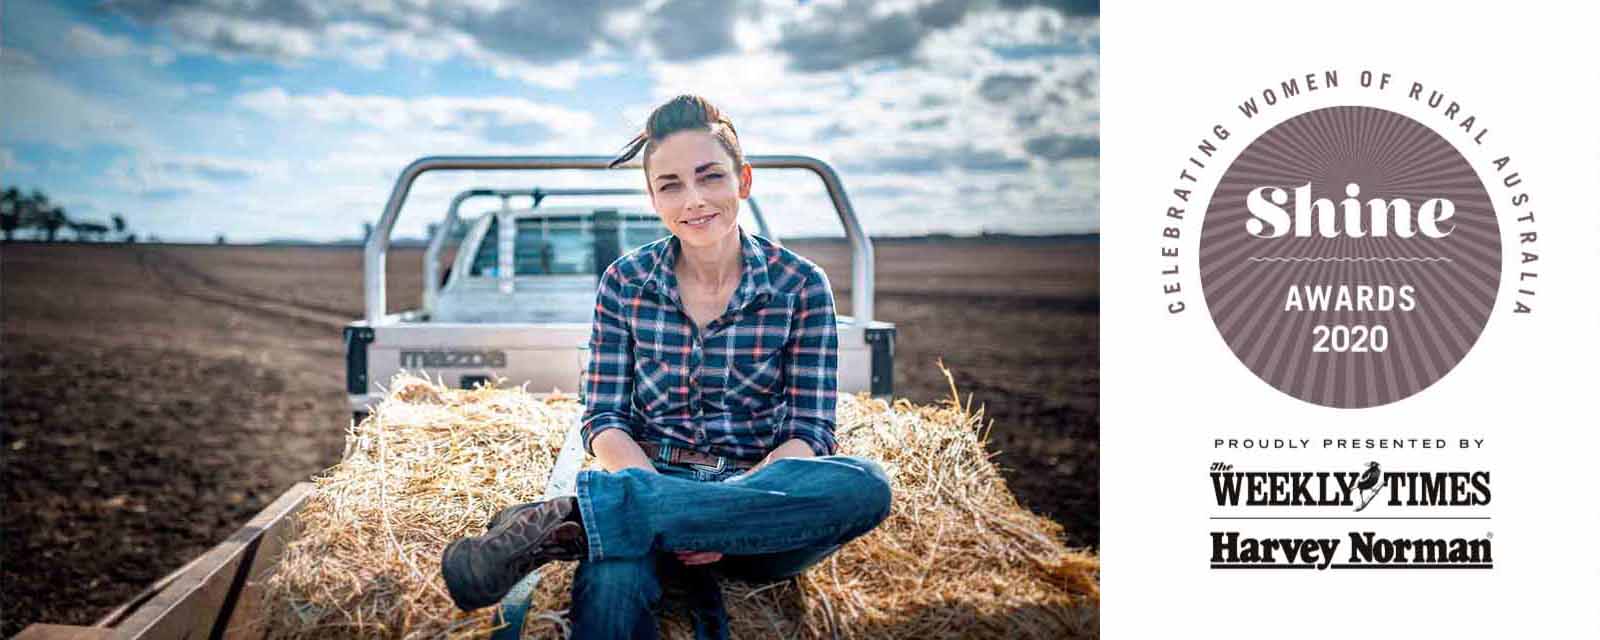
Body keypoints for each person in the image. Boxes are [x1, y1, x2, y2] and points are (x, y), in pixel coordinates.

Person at [441, 95, 892, 639]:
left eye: (710, 177)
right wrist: (665, 502)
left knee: (866, 486)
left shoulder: (800, 284)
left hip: (761, 505)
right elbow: (604, 417)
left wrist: (724, 513)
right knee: (608, 597)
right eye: (672, 184)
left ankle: (576, 519)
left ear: (742, 181)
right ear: (653, 197)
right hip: (651, 475)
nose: (694, 199)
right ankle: (623, 515)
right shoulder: (625, 282)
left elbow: (809, 430)